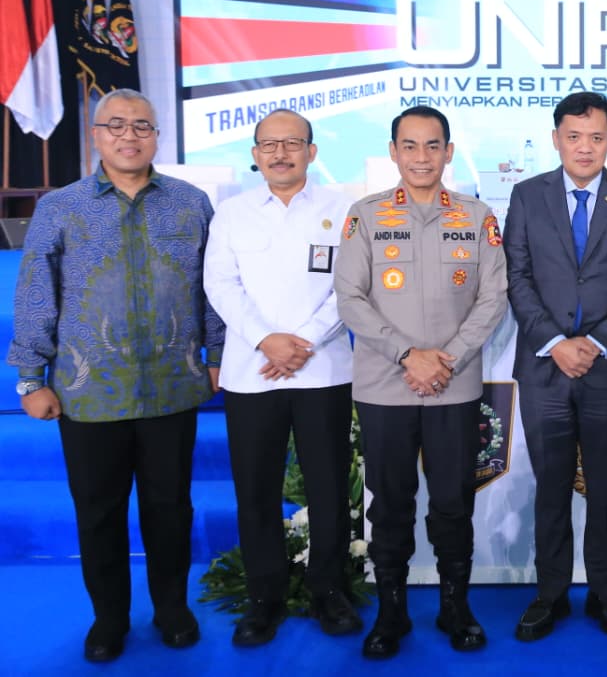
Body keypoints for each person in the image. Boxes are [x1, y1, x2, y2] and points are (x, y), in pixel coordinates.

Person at [8, 88, 224, 663]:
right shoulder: (62, 206)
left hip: (172, 386)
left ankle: (172, 609)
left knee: (170, 508)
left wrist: (218, 355)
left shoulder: (190, 203)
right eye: (117, 125)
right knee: (99, 511)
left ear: (157, 136)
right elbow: (35, 292)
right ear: (96, 136)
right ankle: (109, 618)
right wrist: (30, 377)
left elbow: (213, 287)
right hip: (89, 392)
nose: (130, 136)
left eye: (142, 126)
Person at [334, 105, 508, 659]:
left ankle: (456, 607)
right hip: (385, 386)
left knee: (453, 501)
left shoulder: (478, 216)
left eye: (433, 145)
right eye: (409, 145)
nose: (421, 157)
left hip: (453, 386)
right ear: (393, 152)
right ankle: (392, 612)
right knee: (390, 504)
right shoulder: (365, 215)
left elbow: (494, 297)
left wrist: (446, 359)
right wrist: (409, 355)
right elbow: (350, 298)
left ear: (449, 151)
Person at [504, 91, 607, 641]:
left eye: (596, 137)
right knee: (551, 487)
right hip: (545, 368)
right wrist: (555, 342)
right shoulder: (527, 195)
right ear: (556, 139)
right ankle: (549, 595)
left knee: (604, 486)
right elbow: (516, 276)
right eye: (574, 136)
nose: (585, 147)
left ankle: (605, 594)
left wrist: (595, 341)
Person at [203, 109, 360, 646]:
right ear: (254, 154)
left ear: (312, 152)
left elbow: (351, 286)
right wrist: (266, 340)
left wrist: (304, 341)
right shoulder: (233, 213)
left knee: (329, 487)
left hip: (324, 371)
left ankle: (329, 591)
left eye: (292, 143)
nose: (280, 153)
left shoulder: (343, 209)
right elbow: (220, 286)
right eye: (269, 144)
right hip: (253, 373)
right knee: (256, 490)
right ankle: (263, 598)